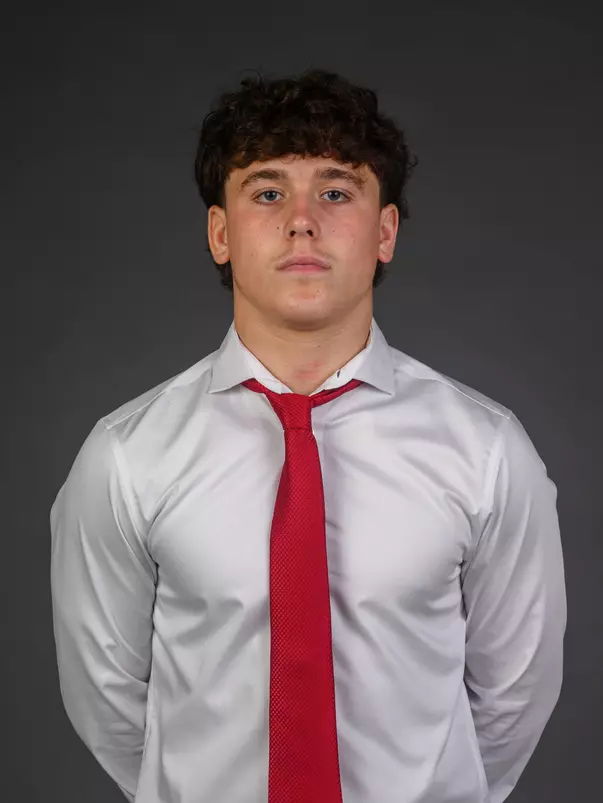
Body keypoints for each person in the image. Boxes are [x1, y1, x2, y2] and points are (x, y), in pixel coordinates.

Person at [49, 68, 567, 803]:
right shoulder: (128, 456)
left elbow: (514, 695)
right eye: (267, 193)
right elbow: (107, 697)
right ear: (220, 233)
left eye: (336, 192)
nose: (301, 221)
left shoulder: (486, 450)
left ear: (384, 231)